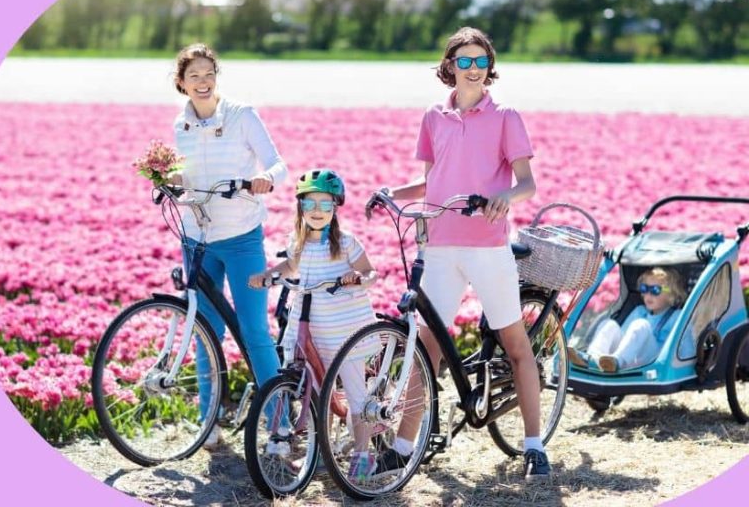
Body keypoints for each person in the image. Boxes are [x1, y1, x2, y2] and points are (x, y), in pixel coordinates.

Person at [380, 26, 550, 480]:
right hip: (440, 245)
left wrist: (505, 199)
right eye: (464, 61)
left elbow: (527, 183)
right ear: (450, 66)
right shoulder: (434, 117)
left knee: (515, 345)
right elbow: (432, 181)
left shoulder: (505, 116)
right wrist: (390, 193)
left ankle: (534, 446)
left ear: (488, 68)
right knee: (427, 348)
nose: (473, 69)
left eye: (481, 62)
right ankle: (400, 447)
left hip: (487, 246)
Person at [169, 43, 287, 448]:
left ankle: (280, 425)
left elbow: (278, 164)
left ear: (216, 76)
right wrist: (167, 183)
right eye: (193, 76)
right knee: (206, 332)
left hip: (241, 238)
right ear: (181, 83)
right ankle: (209, 423)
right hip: (197, 239)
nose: (202, 82)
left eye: (208, 74)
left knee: (254, 330)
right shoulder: (179, 127)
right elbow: (187, 178)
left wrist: (266, 179)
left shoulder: (242, 115)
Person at [248, 169, 379, 478]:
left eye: (325, 204)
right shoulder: (298, 241)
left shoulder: (346, 243)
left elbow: (370, 273)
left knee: (357, 394)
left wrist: (357, 279)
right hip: (310, 325)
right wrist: (269, 275)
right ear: (300, 208)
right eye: (310, 204)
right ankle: (321, 450)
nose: (317, 211)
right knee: (317, 392)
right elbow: (291, 266)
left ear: (335, 208)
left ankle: (363, 452)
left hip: (345, 329)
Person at [568, 267, 688, 373]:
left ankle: (617, 362)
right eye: (644, 288)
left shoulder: (676, 316)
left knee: (641, 325)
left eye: (655, 290)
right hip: (628, 356)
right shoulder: (639, 311)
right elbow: (625, 336)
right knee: (609, 325)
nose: (648, 295)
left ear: (672, 293)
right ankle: (592, 358)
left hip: (654, 361)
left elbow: (687, 348)